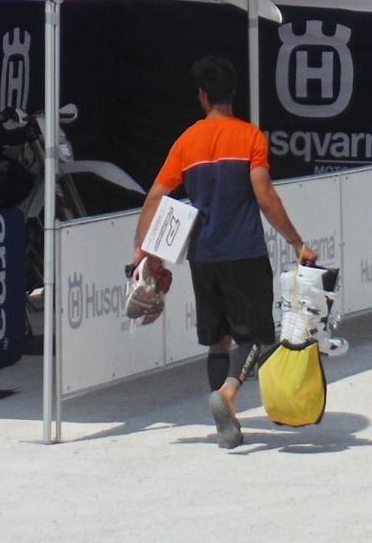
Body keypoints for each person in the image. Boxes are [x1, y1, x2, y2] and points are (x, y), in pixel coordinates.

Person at [133, 54, 315, 450]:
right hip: (244, 252)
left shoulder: (186, 141)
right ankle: (229, 394)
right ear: (232, 94)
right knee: (258, 338)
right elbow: (264, 196)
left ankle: (225, 423)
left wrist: (141, 255)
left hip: (203, 255)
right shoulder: (250, 136)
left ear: (202, 96)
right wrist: (296, 241)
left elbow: (155, 199)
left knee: (219, 340)